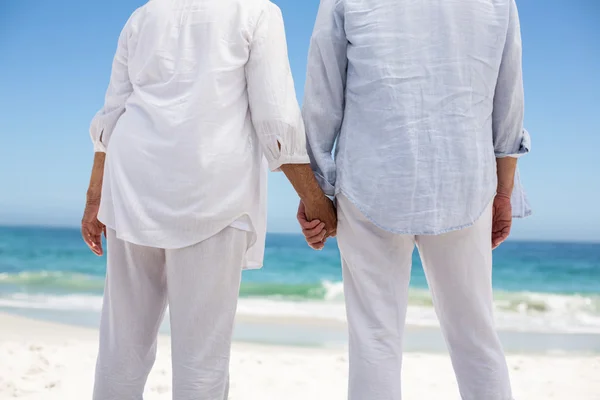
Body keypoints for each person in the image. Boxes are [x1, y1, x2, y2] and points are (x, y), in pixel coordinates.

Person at [81, 0, 336, 398]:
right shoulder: (256, 12)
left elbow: (112, 114)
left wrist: (95, 197)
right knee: (201, 361)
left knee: (121, 350)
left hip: (131, 189)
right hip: (212, 194)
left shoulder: (143, 16)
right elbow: (276, 118)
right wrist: (316, 200)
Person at [299, 0, 531, 399]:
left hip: (372, 181)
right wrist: (504, 191)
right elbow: (508, 96)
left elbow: (324, 88)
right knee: (476, 339)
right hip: (464, 181)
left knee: (375, 340)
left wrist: (315, 188)